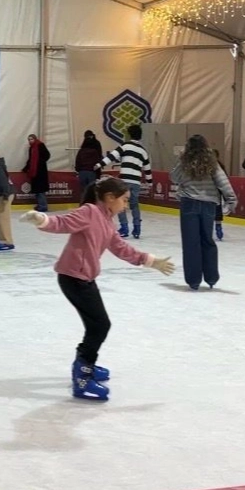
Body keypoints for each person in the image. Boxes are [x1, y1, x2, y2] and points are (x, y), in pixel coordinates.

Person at [19, 177, 174, 401]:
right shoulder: (90, 212)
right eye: (124, 200)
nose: (126, 205)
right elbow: (63, 223)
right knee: (100, 326)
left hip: (84, 278)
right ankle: (82, 375)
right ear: (110, 198)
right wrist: (41, 219)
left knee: (97, 325)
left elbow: (120, 248)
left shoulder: (106, 220)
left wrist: (149, 260)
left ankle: (86, 365)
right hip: (73, 278)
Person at [170, 135, 237, 291]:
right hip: (208, 204)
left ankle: (193, 280)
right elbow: (222, 181)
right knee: (207, 240)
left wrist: (181, 159)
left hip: (189, 203)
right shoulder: (212, 162)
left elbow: (174, 177)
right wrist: (231, 200)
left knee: (191, 243)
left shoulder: (185, 162)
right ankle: (211, 278)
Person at [94, 124, 152, 239]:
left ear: (129, 135)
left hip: (124, 181)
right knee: (134, 205)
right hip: (136, 182)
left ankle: (124, 228)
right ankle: (137, 228)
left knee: (120, 204)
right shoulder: (143, 151)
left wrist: (99, 164)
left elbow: (112, 156)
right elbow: (147, 168)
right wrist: (150, 182)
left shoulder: (125, 146)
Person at [22, 134, 51, 212]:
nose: (30, 141)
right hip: (34, 172)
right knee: (37, 190)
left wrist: (39, 163)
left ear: (35, 139)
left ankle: (43, 206)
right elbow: (30, 160)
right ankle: (40, 205)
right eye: (29, 139)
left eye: (31, 139)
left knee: (40, 190)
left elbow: (47, 155)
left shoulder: (40, 145)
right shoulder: (31, 148)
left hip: (40, 172)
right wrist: (26, 168)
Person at [212, 149, 228, 241]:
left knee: (218, 211)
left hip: (217, 193)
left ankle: (218, 227)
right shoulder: (205, 166)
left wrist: (225, 194)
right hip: (207, 194)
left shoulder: (221, 167)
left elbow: (224, 181)